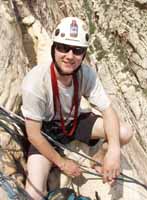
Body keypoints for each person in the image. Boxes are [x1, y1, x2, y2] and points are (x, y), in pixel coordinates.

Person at [21, 17, 133, 200]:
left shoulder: (85, 74)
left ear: (83, 54)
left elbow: (108, 110)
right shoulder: (35, 83)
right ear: (53, 48)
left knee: (124, 132)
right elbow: (33, 134)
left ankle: (98, 157)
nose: (70, 56)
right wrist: (63, 163)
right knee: (33, 192)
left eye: (77, 50)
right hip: (46, 131)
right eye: (63, 47)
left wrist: (113, 150)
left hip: (73, 121)